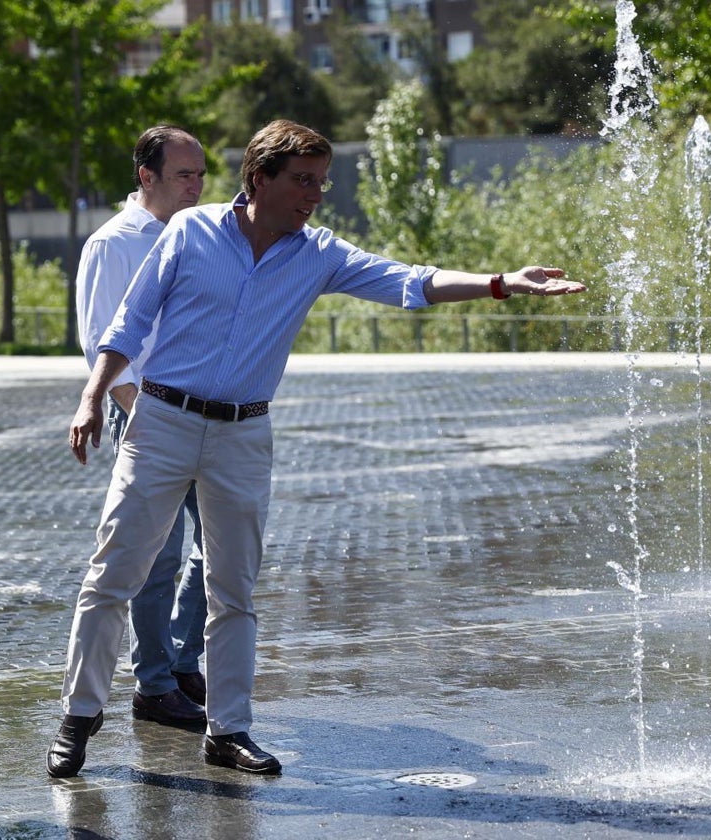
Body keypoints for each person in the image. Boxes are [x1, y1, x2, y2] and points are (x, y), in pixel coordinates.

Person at [47, 119, 586, 778]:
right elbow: (127, 323)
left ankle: (229, 729)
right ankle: (79, 717)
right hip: (161, 421)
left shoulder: (318, 252)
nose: (315, 195)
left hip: (243, 434)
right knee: (113, 575)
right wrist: (92, 395)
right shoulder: (190, 233)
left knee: (233, 591)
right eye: (303, 180)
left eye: (321, 183)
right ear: (259, 177)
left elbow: (410, 282)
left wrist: (502, 283)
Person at [70, 125, 209, 735]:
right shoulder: (113, 244)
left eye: (202, 174)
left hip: (208, 412)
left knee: (223, 552)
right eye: (185, 175)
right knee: (158, 555)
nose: (197, 186)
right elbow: (102, 337)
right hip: (147, 410)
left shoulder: (200, 235)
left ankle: (180, 659)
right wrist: (138, 412)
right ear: (145, 177)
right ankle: (154, 683)